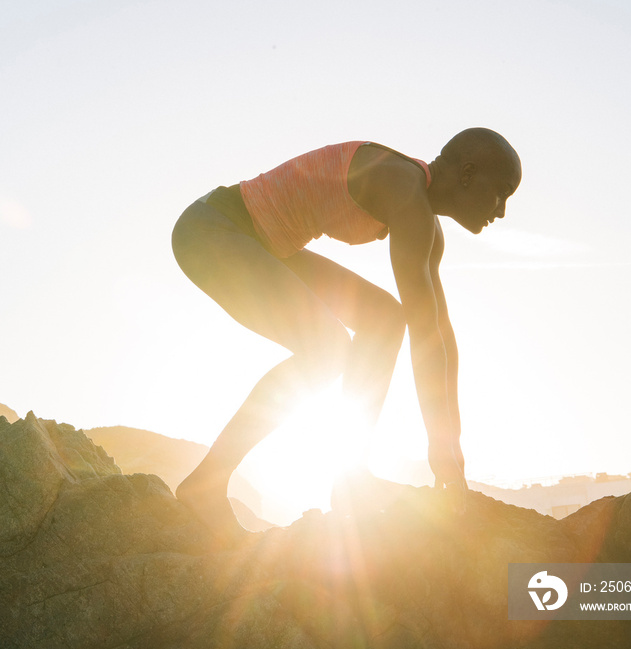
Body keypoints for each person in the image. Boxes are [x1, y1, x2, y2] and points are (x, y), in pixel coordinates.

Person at [172, 128, 522, 543]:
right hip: (213, 228)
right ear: (467, 173)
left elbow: (440, 335)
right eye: (500, 192)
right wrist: (439, 452)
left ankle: (351, 477)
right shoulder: (404, 190)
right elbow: (427, 336)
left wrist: (452, 447)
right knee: (328, 350)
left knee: (385, 319)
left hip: (265, 244)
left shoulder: (425, 222)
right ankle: (204, 486)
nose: (500, 211)